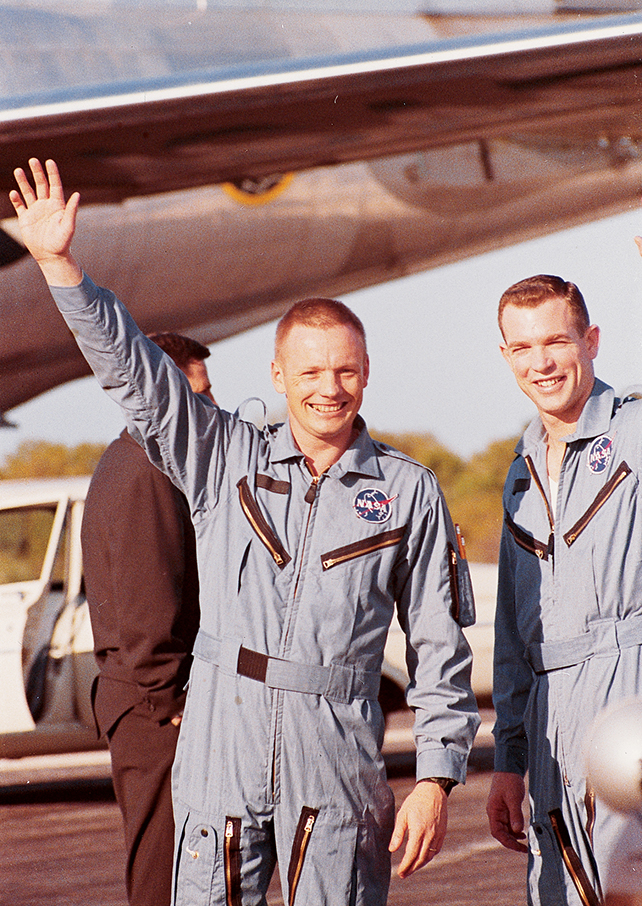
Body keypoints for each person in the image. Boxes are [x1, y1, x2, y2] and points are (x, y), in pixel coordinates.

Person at [10, 158, 480, 906]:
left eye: (346, 371)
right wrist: (60, 265)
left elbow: (437, 644)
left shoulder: (405, 491)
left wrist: (435, 778)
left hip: (335, 745)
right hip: (221, 736)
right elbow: (134, 372)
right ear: (279, 373)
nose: (329, 388)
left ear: (366, 373)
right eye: (311, 372)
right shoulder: (223, 455)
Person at [486, 272, 642, 906]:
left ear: (593, 340)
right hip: (550, 729)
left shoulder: (634, 434)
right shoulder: (520, 474)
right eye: (522, 348)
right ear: (506, 356)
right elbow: (512, 631)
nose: (541, 363)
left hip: (629, 700)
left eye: (556, 341)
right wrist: (507, 759)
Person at [81, 331, 215, 906]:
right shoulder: (146, 474)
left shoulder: (136, 461)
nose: (211, 408)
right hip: (155, 710)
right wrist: (175, 704)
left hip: (146, 703)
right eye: (199, 395)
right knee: (164, 870)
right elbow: (146, 610)